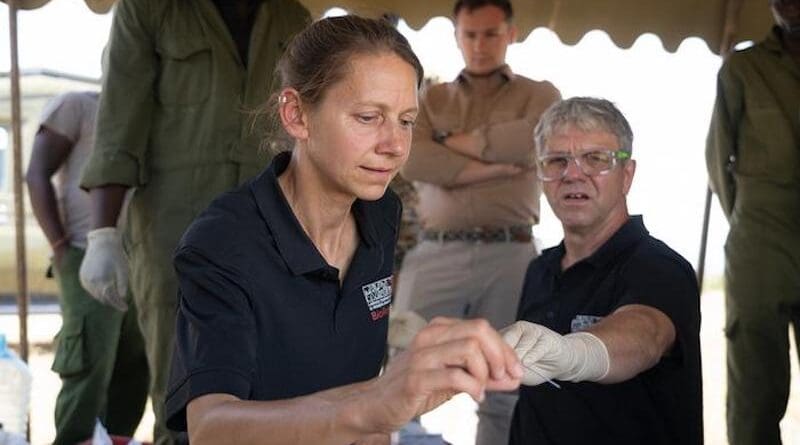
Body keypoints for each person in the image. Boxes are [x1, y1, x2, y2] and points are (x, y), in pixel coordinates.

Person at [163, 15, 523, 445]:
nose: (394, 145)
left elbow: (357, 386)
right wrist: (374, 405)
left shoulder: (380, 213)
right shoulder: (224, 243)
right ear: (297, 115)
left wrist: (383, 417)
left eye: (406, 121)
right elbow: (211, 427)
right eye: (369, 117)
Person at [77, 1, 310, 443]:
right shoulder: (148, 9)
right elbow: (118, 121)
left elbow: (313, 121)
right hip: (176, 235)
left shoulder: (291, 16)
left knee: (275, 396)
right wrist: (102, 233)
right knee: (181, 403)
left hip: (277, 231)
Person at [394, 1, 560, 443]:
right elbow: (412, 159)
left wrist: (454, 144)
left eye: (490, 34)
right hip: (436, 252)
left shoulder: (541, 94)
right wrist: (496, 166)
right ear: (456, 36)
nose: (479, 45)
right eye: (469, 34)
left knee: (506, 386)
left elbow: (534, 142)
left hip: (512, 255)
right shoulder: (429, 99)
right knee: (400, 373)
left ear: (512, 34)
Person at [503, 97, 703, 445]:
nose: (573, 174)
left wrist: (575, 354)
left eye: (596, 159)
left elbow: (645, 335)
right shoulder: (540, 268)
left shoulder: (659, 266)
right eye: (556, 161)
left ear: (627, 174)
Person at [25, 91, 149, 445]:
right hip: (85, 252)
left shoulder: (149, 109)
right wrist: (61, 247)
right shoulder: (79, 106)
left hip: (140, 259)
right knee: (88, 368)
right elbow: (36, 175)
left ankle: (115, 438)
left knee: (135, 366)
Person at [705, 1, 800, 443]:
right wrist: (750, 221)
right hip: (760, 240)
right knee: (754, 396)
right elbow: (718, 160)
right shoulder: (742, 68)